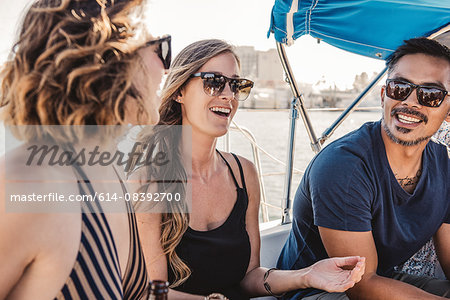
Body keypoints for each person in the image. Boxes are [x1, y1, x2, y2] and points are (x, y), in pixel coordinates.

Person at [132, 39, 365, 300]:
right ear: (179, 92)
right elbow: (150, 293)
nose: (229, 96)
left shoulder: (244, 174)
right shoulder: (148, 178)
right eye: (213, 82)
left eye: (236, 85)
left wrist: (307, 275)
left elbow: (249, 277)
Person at [0, 0, 169, 299]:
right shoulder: (31, 183)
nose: (166, 67)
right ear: (112, 58)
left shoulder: (109, 170)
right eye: (160, 49)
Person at [277, 37, 450, 299]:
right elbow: (361, 285)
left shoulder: (443, 166)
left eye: (430, 95)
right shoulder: (343, 167)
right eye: (400, 88)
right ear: (384, 96)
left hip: (381, 277)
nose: (411, 102)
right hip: (317, 292)